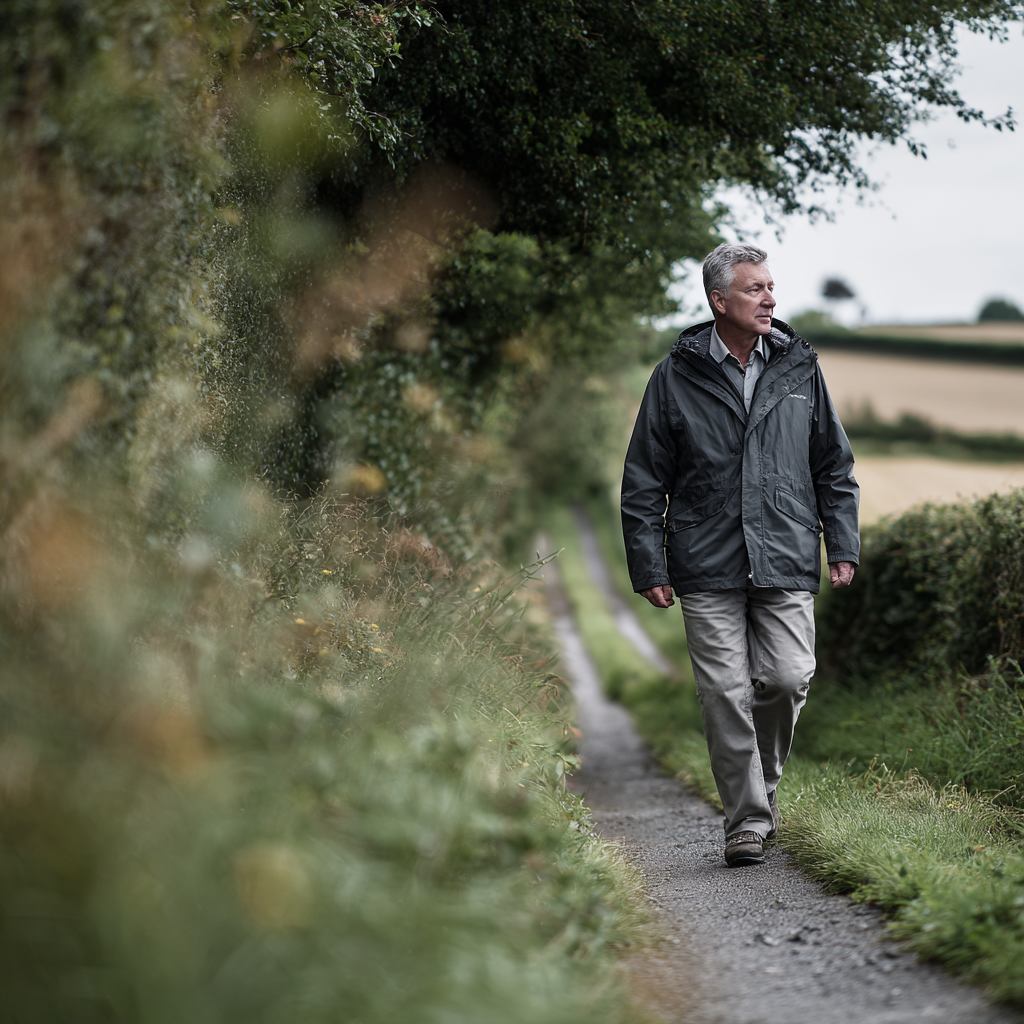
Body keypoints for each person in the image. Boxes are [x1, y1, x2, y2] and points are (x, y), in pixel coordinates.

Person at [620, 242, 860, 868]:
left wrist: (842, 542)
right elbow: (645, 478)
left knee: (785, 679)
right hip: (705, 558)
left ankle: (761, 791)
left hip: (784, 550)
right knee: (725, 692)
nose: (770, 299)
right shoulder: (675, 376)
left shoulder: (800, 368)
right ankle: (748, 822)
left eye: (771, 287)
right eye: (755, 290)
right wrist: (649, 564)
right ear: (719, 300)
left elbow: (833, 464)